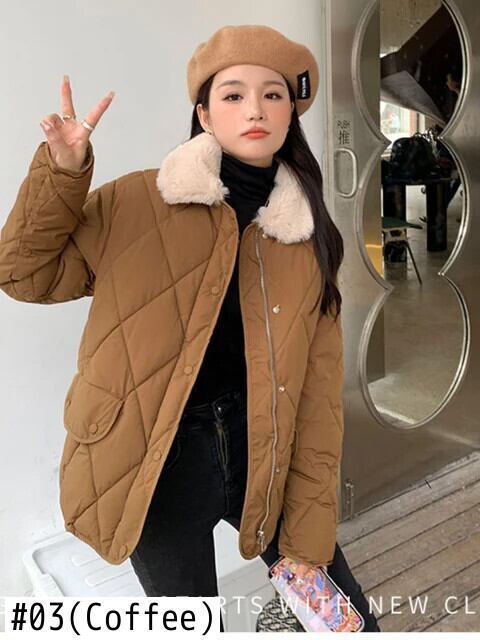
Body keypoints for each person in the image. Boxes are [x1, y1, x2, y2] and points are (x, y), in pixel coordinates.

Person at [0, 25, 380, 632]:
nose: (255, 109)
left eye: (273, 95)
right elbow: (23, 275)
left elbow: (316, 399)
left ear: (290, 115)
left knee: (346, 621)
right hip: (156, 467)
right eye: (233, 95)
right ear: (203, 114)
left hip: (266, 451)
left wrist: (309, 538)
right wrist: (62, 174)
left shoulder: (307, 238)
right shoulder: (136, 204)